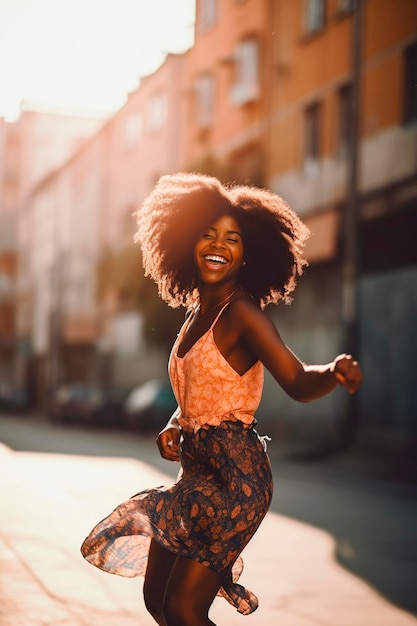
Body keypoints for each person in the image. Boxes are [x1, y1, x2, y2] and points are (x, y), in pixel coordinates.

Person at [81, 172, 362, 626]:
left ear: (247, 252)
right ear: (187, 241)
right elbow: (202, 392)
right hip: (195, 474)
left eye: (232, 238)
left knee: (184, 610)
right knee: (158, 602)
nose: (219, 245)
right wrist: (175, 423)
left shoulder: (242, 312)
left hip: (237, 479)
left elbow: (295, 379)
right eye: (208, 234)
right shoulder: (197, 312)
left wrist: (331, 372)